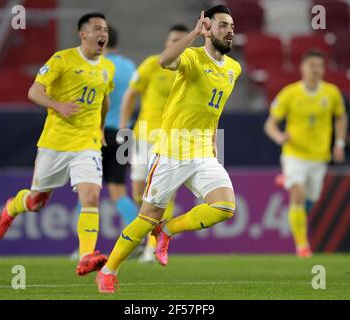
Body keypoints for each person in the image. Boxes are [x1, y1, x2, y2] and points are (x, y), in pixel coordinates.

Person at [96, 5, 241, 293]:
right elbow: (164, 60)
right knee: (147, 213)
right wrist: (193, 34)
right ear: (208, 29)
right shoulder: (191, 57)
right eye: (223, 25)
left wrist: (212, 139)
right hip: (172, 151)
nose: (230, 30)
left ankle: (168, 230)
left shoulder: (234, 69)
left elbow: (214, 110)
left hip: (202, 152)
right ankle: (108, 270)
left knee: (225, 207)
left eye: (232, 25)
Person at [0, 13, 114, 276]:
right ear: (83, 34)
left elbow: (105, 100)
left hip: (87, 143)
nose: (103, 33)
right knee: (37, 202)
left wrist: (101, 129)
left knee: (91, 196)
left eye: (105, 29)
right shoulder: (62, 59)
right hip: (55, 143)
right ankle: (12, 208)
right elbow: (34, 91)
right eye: (97, 29)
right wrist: (58, 105)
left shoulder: (108, 67)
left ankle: (85, 256)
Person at [264, 50, 348, 258]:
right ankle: (302, 247)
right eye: (311, 65)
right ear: (302, 68)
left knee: (310, 200)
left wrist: (339, 143)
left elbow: (340, 117)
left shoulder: (332, 93)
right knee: (298, 194)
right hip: (295, 154)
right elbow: (270, 125)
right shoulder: (289, 93)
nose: (315, 70)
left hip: (319, 157)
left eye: (319, 66)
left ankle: (287, 181)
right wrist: (279, 137)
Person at [118, 24, 189, 263]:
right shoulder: (151, 64)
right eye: (172, 40)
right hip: (143, 136)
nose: (175, 44)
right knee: (139, 192)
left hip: (173, 139)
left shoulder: (191, 68)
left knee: (162, 193)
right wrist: (122, 126)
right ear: (166, 42)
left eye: (181, 40)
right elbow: (131, 94)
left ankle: (152, 246)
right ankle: (150, 234)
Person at [69, 25, 138, 261]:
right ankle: (136, 240)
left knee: (87, 189)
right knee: (119, 191)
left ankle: (84, 248)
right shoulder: (131, 68)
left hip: (97, 132)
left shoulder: (98, 66)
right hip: (125, 133)